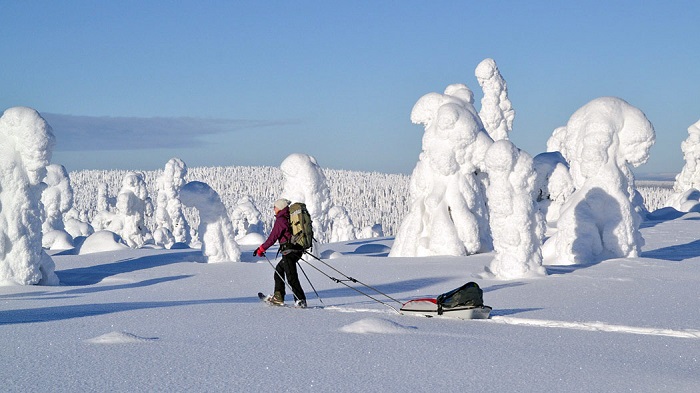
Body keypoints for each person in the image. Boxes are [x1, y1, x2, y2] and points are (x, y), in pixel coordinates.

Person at [254, 198, 307, 308]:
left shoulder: (281, 220)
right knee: (279, 271)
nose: (274, 208)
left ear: (280, 208)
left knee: (291, 277)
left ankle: (300, 300)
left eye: (275, 206)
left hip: (289, 251)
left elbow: (273, 237)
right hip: (296, 250)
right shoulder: (288, 217)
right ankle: (279, 297)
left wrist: (261, 249)